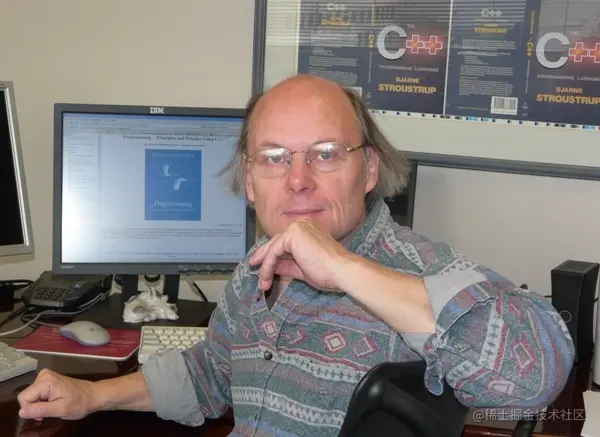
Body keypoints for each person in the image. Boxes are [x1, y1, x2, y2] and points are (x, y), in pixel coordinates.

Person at [18, 74, 575, 436]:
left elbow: (536, 375)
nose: (299, 179)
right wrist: (91, 394)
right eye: (274, 157)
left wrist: (345, 269)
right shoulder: (254, 271)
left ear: (369, 169)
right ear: (249, 180)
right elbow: (213, 372)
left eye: (326, 154)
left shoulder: (414, 269)